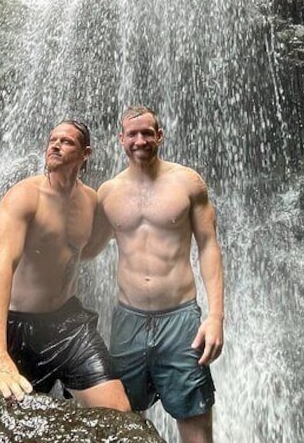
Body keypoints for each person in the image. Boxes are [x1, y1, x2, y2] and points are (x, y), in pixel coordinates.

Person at [83, 106, 224, 443]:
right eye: (132, 134)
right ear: (121, 140)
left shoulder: (188, 182)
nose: (140, 140)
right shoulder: (108, 193)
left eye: (147, 133)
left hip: (180, 319)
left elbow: (208, 247)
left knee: (194, 418)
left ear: (160, 135)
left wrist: (216, 317)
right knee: (124, 420)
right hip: (128, 319)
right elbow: (86, 250)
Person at [0, 120, 130, 411]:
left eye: (66, 141)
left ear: (85, 153)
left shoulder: (90, 200)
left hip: (68, 324)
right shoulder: (23, 197)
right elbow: (1, 267)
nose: (55, 145)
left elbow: (81, 251)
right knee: (5, 422)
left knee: (118, 413)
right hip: (18, 327)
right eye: (52, 140)